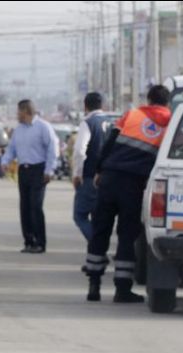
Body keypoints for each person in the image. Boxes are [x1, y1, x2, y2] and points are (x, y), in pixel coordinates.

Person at [85, 85, 172, 303]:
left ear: (149, 99)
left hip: (110, 178)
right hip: (134, 185)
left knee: (100, 230)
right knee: (127, 235)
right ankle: (122, 289)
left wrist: (99, 170)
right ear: (167, 102)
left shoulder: (132, 114)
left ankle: (93, 286)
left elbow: (109, 144)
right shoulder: (172, 122)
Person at [1, 99, 57, 254]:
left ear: (26, 111)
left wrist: (49, 170)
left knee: (35, 206)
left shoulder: (43, 127)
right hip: (23, 170)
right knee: (24, 207)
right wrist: (5, 161)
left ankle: (40, 242)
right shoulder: (19, 130)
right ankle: (29, 241)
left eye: (19, 111)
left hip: (38, 170)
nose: (17, 114)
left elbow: (52, 149)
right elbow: (11, 149)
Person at [71, 91, 109, 241]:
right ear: (102, 105)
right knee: (98, 217)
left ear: (85, 106)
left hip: (89, 176)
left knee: (79, 216)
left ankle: (96, 246)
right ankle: (97, 255)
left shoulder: (88, 123)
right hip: (107, 177)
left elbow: (80, 151)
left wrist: (77, 174)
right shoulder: (112, 123)